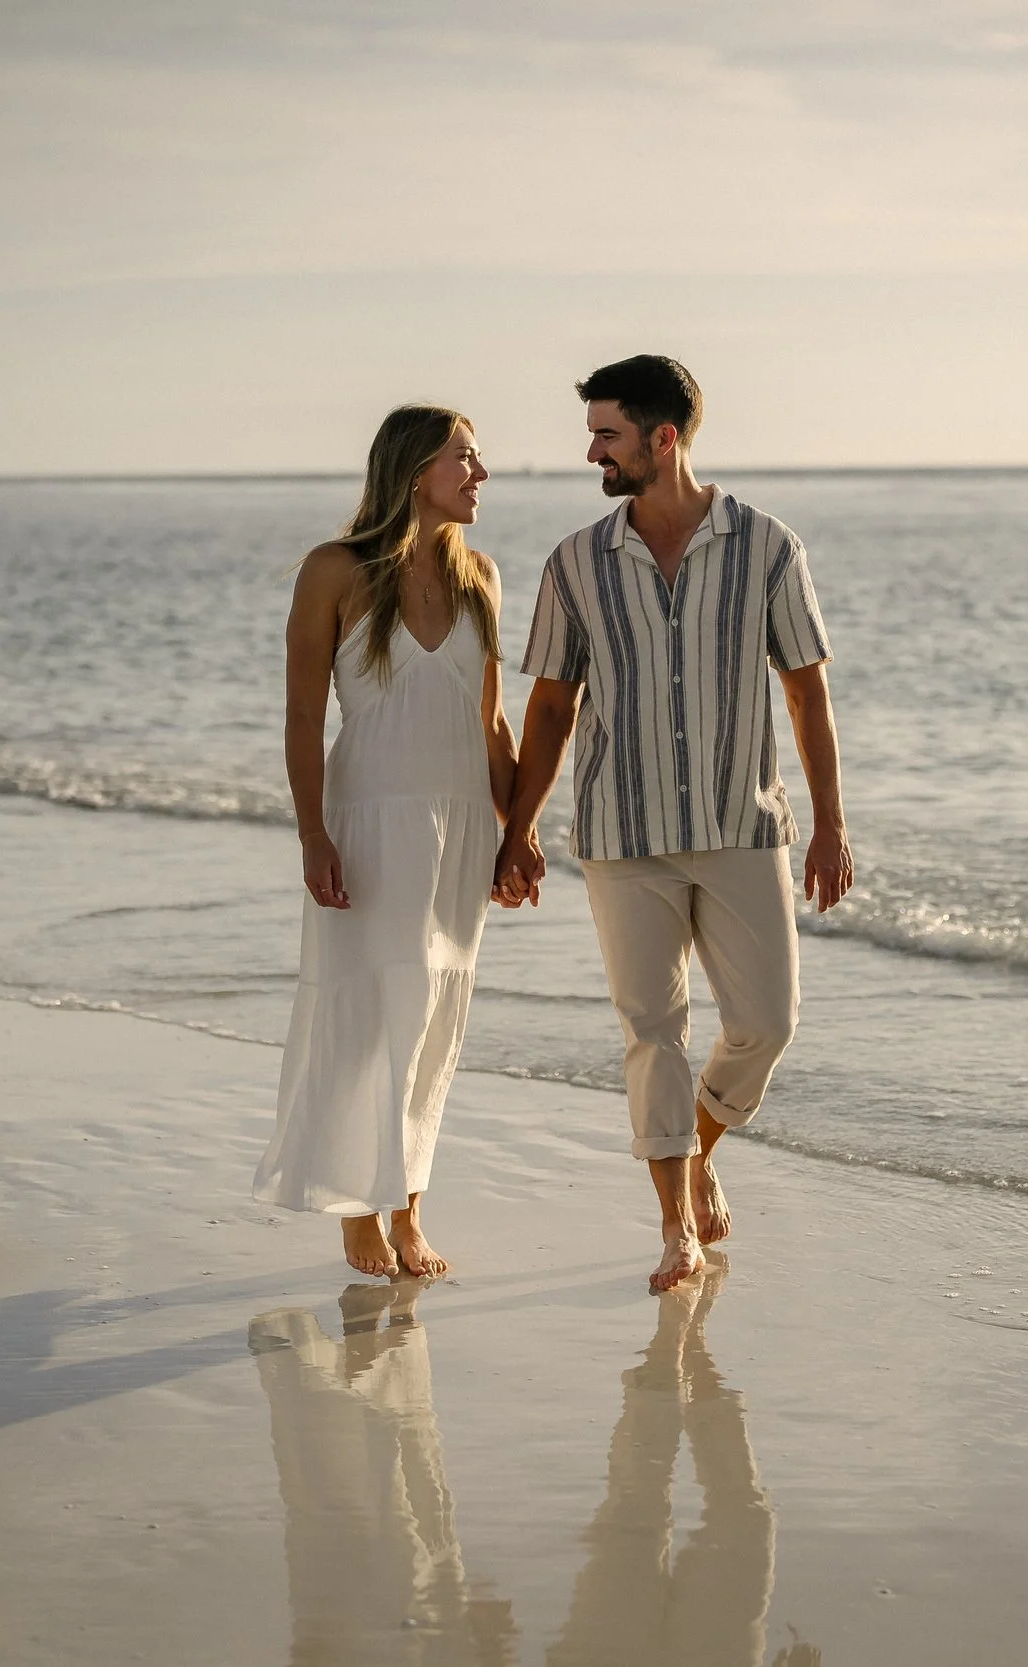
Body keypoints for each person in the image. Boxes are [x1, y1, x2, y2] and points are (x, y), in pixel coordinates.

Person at [494, 355, 852, 1293]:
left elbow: (807, 692)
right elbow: (551, 706)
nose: (592, 453)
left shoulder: (768, 547)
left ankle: (696, 1153)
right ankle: (675, 1228)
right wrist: (518, 827)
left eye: (607, 435)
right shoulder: (575, 563)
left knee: (766, 1023)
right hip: (624, 833)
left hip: (743, 825)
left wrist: (829, 824)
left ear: (663, 438)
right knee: (652, 1029)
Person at [255, 405, 517, 1279]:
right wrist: (311, 834)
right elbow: (302, 715)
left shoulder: (482, 577)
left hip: (462, 825)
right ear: (414, 471)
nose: (480, 474)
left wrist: (520, 832)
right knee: (371, 1016)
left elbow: (492, 725)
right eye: (464, 458)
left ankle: (408, 1206)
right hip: (369, 818)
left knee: (434, 1020)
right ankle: (358, 1209)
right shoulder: (334, 571)